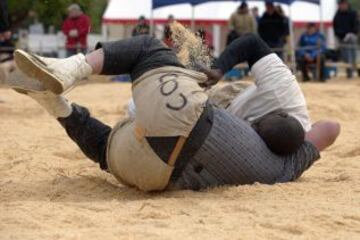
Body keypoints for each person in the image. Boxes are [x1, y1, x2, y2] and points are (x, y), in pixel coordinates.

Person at [12, 33, 326, 192]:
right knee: (104, 151)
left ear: (257, 125)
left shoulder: (281, 119)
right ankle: (58, 107)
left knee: (148, 48)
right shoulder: (279, 171)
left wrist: (215, 72)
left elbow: (331, 128)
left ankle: (72, 68)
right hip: (156, 176)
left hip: (186, 119)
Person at [333, 0, 359, 79]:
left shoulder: (353, 13)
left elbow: (356, 25)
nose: (342, 6)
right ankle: (349, 73)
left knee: (354, 55)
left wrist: (351, 33)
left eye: (344, 4)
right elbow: (336, 28)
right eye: (341, 4)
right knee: (346, 57)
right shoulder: (337, 16)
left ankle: (356, 71)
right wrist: (343, 35)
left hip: (352, 37)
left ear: (347, 4)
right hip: (342, 38)